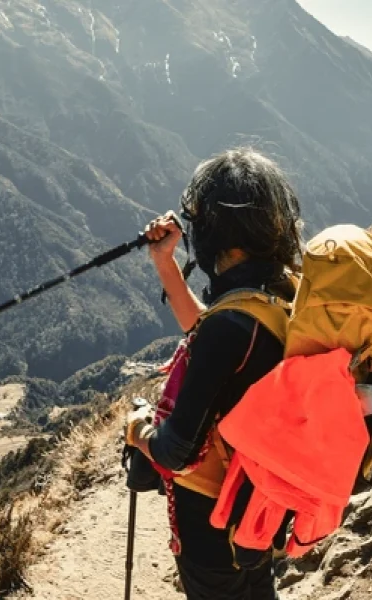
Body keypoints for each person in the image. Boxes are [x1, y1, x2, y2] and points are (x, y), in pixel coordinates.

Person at [123, 148, 303, 599]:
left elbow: (176, 453)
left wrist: (139, 429)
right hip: (260, 508)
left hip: (211, 525)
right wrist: (165, 263)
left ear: (216, 231)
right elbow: (215, 335)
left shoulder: (232, 326)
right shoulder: (279, 295)